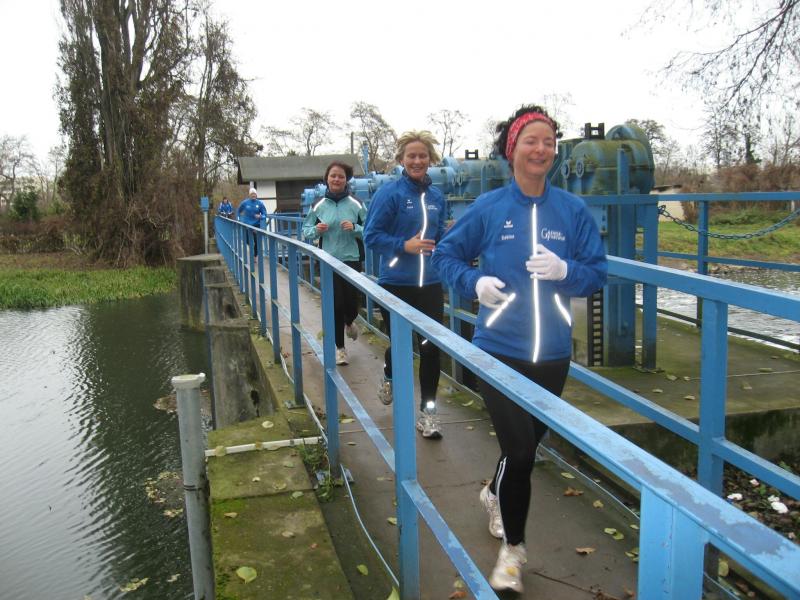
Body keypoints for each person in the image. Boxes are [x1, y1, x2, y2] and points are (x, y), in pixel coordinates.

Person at [431, 105, 607, 593]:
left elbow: (597, 273)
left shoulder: (571, 210)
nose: (541, 149)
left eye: (549, 141)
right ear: (512, 151)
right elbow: (446, 255)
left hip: (552, 352)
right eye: (531, 140)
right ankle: (513, 551)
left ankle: (493, 491)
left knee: (526, 450)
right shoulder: (489, 207)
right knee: (521, 450)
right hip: (498, 349)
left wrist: (566, 272)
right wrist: (473, 282)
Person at [363, 130, 446, 440]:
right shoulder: (390, 194)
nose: (417, 160)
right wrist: (404, 246)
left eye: (423, 155)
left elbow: (441, 236)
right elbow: (371, 236)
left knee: (431, 349)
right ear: (401, 159)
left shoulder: (437, 197)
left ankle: (428, 414)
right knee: (401, 346)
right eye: (411, 156)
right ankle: (389, 374)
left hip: (431, 283)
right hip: (396, 283)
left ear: (430, 159)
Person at [302, 161, 367, 366]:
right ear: (327, 179)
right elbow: (306, 230)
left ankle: (350, 321)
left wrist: (356, 228)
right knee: (336, 305)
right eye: (333, 176)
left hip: (352, 259)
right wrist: (316, 230)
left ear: (346, 180)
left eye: (341, 176)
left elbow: (371, 229)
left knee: (351, 303)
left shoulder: (357, 203)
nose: (336, 179)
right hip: (328, 260)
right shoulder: (318, 204)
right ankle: (340, 349)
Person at [237, 187, 267, 257]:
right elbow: (239, 210)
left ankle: (255, 256)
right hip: (247, 225)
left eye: (254, 194)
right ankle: (252, 249)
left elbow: (265, 214)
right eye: (252, 194)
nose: (253, 195)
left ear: (256, 195)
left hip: (256, 225)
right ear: (249, 195)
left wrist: (260, 216)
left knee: (257, 241)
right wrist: (239, 218)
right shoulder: (245, 203)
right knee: (247, 240)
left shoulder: (260, 203)